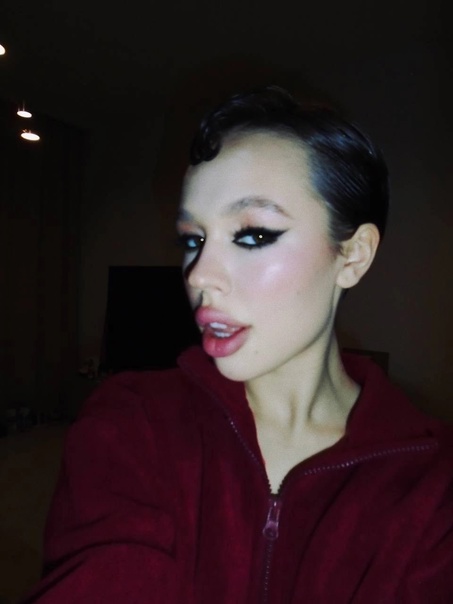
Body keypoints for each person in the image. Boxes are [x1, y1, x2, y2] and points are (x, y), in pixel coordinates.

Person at [22, 86, 453, 603]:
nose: (199, 275)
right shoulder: (133, 421)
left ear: (354, 255)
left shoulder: (434, 485)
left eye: (253, 235)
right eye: (192, 239)